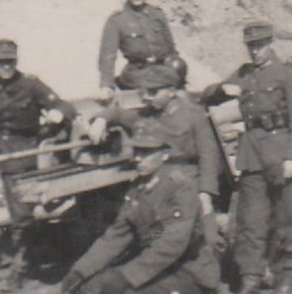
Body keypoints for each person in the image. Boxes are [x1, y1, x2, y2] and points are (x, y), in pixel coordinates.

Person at [61, 135, 220, 294]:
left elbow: (172, 242)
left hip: (190, 273)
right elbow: (116, 235)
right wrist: (79, 271)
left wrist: (127, 276)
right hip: (158, 270)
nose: (138, 158)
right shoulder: (138, 188)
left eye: (146, 153)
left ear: (164, 155)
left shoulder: (180, 186)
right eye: (136, 151)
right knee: (91, 287)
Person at [201, 22, 292, 294]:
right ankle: (249, 281)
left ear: (270, 43)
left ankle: (286, 279)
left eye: (260, 45)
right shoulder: (243, 74)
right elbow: (208, 95)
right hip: (251, 154)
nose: (255, 50)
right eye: (250, 45)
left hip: (281, 148)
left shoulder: (288, 74)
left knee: (288, 217)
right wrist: (221, 89)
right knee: (251, 220)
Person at [0, 38, 77, 288]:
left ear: (16, 61)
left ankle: (22, 265)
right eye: (0, 62)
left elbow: (62, 105)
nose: (6, 67)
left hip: (28, 144)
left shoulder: (31, 84)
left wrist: (57, 113)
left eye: (10, 62)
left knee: (20, 210)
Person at [87, 63, 226, 248]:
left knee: (205, 239)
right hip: (156, 184)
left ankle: (209, 266)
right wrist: (102, 118)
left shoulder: (193, 115)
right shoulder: (145, 115)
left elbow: (208, 154)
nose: (146, 97)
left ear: (170, 91)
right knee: (154, 236)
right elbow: (119, 113)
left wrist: (206, 192)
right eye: (143, 92)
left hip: (187, 181)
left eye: (152, 92)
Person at [97, 0, 186, 91]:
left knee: (179, 69)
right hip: (137, 74)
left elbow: (171, 49)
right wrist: (106, 85)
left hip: (162, 70)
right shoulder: (117, 20)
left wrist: (177, 67)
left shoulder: (158, 15)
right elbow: (107, 56)